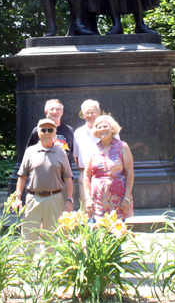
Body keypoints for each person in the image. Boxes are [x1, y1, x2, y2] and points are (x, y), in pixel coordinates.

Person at [15, 118, 73, 250]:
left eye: (50, 130)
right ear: (38, 133)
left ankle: (49, 268)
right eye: (43, 130)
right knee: (29, 236)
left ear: (55, 133)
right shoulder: (30, 151)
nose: (46, 133)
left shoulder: (62, 153)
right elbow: (22, 176)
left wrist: (69, 199)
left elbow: (68, 177)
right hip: (33, 198)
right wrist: (18, 198)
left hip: (54, 199)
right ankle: (27, 267)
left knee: (51, 236)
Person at [83, 115, 134, 220]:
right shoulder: (93, 149)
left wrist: (127, 198)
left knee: (116, 233)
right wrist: (88, 198)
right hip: (97, 199)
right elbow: (86, 176)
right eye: (99, 127)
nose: (102, 129)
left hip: (118, 200)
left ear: (112, 128)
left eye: (105, 126)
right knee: (96, 232)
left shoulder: (122, 146)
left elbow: (129, 173)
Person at [74, 100, 119, 210]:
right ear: (82, 114)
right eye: (87, 113)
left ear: (99, 112)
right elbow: (76, 156)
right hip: (86, 176)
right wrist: (87, 171)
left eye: (92, 112)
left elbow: (119, 152)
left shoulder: (111, 131)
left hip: (109, 176)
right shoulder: (78, 133)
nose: (90, 115)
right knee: (87, 211)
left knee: (109, 211)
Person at [26, 99, 75, 166]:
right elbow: (29, 153)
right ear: (46, 113)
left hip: (65, 173)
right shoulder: (38, 130)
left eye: (58, 109)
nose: (55, 112)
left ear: (62, 112)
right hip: (44, 171)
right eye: (51, 109)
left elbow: (73, 152)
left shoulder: (69, 130)